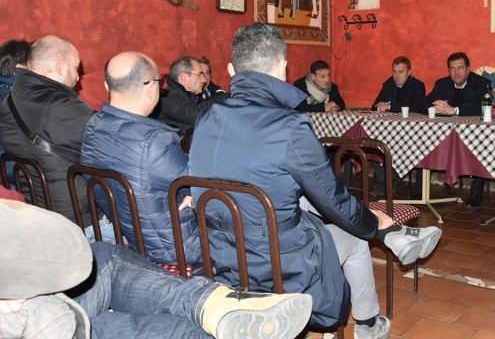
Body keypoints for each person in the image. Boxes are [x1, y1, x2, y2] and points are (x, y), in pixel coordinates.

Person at [188, 22, 442, 334]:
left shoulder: (206, 116)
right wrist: (373, 224)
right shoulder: (289, 125)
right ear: (282, 66)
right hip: (277, 263)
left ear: (231, 69)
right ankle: (368, 323)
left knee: (300, 196)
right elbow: (334, 199)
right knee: (356, 236)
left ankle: (393, 235)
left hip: (217, 256)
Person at [0, 199, 312, 339]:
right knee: (192, 330)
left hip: (38, 307)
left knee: (104, 255)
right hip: (42, 324)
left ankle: (212, 304)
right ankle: (214, 311)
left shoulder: (93, 127)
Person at [81, 51, 200, 265]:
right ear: (151, 87)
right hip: (178, 249)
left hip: (128, 237)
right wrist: (196, 192)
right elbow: (203, 186)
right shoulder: (154, 141)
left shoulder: (93, 127)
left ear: (107, 86)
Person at [0, 35, 111, 241]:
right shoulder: (60, 106)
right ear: (60, 65)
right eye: (75, 68)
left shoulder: (10, 101)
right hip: (80, 222)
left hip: (39, 213)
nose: (77, 77)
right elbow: (118, 142)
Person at [422, 52, 491, 207]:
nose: (456, 73)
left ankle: (476, 191)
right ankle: (420, 191)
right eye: (452, 69)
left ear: (468, 69)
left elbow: (481, 107)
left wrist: (454, 110)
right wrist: (434, 108)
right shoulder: (442, 84)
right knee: (423, 139)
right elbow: (423, 104)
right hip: (444, 135)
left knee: (483, 143)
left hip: (473, 135)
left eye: (460, 68)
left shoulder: (482, 83)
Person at [370, 56, 426, 197]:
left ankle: (392, 180)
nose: (397, 76)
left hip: (411, 133)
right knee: (370, 141)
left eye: (401, 72)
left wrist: (390, 106)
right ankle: (382, 181)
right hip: (389, 130)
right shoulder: (389, 84)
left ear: (409, 72)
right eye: (394, 71)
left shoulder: (418, 86)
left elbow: (417, 107)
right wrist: (380, 105)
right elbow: (374, 106)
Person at [154, 56, 225, 132]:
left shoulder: (190, 95)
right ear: (183, 78)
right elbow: (196, 115)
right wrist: (226, 98)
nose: (204, 80)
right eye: (199, 75)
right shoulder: (166, 96)